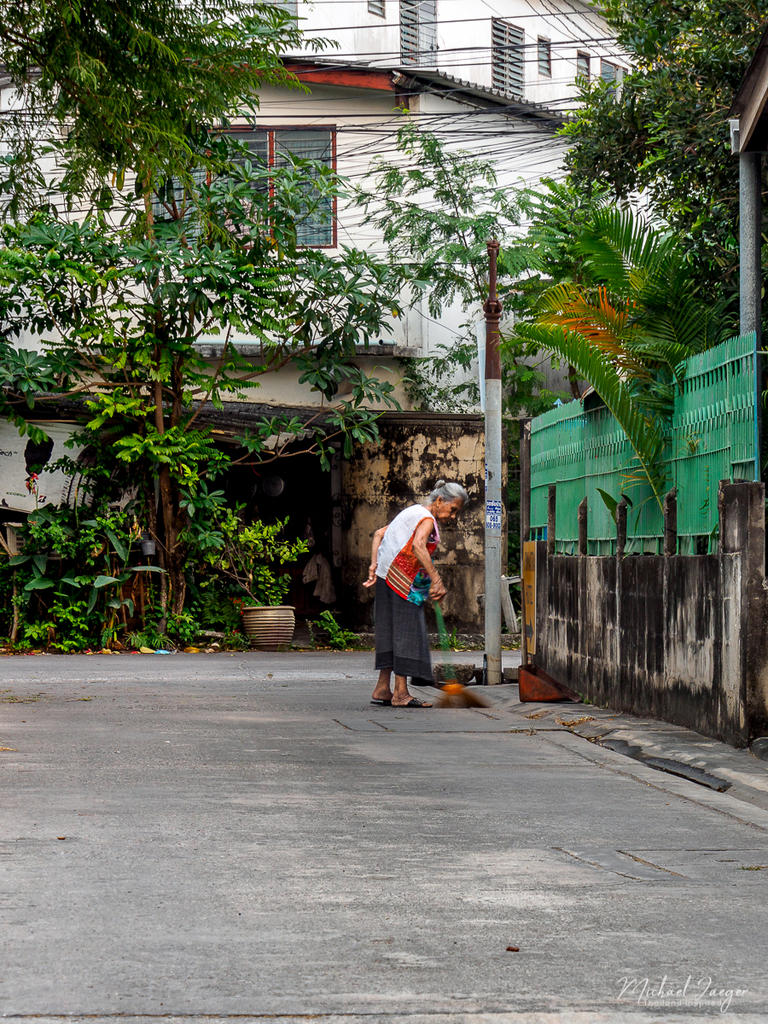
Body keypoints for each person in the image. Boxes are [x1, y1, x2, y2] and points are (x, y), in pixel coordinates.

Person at [363, 480, 468, 708]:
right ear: (439, 500)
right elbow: (418, 546)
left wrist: (373, 565)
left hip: (386, 576)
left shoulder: (412, 512)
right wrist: (437, 580)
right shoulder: (427, 519)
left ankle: (383, 688)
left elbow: (379, 534)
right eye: (452, 510)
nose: (452, 517)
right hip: (403, 580)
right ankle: (400, 694)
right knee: (406, 631)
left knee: (390, 631)